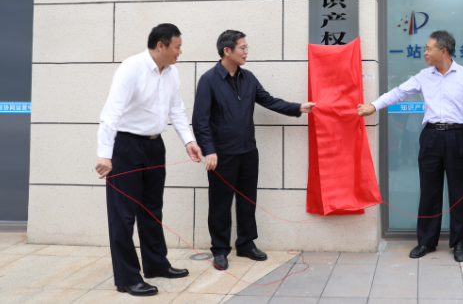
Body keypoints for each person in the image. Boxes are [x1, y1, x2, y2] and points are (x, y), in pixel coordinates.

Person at [358, 30, 463, 262]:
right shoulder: (424, 76)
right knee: (429, 191)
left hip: (456, 136)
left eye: (428, 48)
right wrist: (374, 105)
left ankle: (459, 243)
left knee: (458, 191)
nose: (425, 52)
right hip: (431, 136)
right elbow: (399, 93)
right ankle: (426, 241)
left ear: (443, 51)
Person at [95, 23, 204, 297]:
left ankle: (155, 264)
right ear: (161, 45)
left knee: (152, 209)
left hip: (155, 146)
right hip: (126, 147)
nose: (180, 51)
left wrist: (189, 141)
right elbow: (111, 112)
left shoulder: (172, 72)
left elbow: (176, 109)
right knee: (123, 214)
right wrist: (105, 154)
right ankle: (127, 278)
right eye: (177, 46)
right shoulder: (131, 68)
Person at [192, 30, 315, 271]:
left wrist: (298, 107)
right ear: (227, 50)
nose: (246, 52)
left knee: (247, 200)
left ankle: (246, 244)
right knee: (220, 203)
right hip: (222, 154)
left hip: (248, 150)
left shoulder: (248, 78)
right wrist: (209, 150)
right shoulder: (209, 80)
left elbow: (268, 100)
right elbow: (200, 121)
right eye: (243, 48)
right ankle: (220, 250)